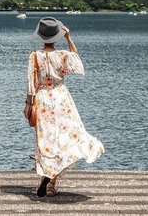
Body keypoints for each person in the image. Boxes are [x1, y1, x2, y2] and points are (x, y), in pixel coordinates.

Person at [24, 17, 104, 197]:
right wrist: (69, 39)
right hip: (61, 97)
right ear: (57, 37)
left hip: (42, 98)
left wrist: (28, 104)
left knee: (46, 140)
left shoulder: (35, 56)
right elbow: (77, 62)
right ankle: (51, 184)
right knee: (65, 137)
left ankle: (46, 175)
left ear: (41, 36)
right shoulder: (62, 55)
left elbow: (31, 83)